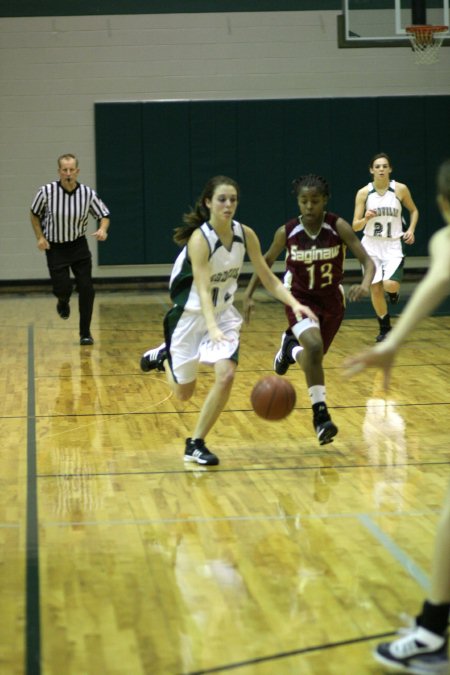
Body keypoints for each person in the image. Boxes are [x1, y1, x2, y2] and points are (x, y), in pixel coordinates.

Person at [344, 158, 450, 675]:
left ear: (442, 204)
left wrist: (393, 348)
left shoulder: (444, 239)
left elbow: (439, 280)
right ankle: (433, 628)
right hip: (379, 249)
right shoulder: (368, 196)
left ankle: (432, 633)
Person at [140, 175, 317, 466]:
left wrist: (296, 303)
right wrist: (209, 327)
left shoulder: (245, 234)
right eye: (222, 199)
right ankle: (165, 357)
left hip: (222, 315)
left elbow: (267, 277)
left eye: (233, 200)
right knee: (184, 394)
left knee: (227, 374)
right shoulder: (200, 239)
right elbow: (201, 289)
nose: (228, 205)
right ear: (208, 202)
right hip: (190, 315)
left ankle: (195, 443)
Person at [243, 174, 375, 445]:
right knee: (314, 349)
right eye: (304, 201)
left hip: (332, 303)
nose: (309, 206)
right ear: (298, 202)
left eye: (315, 201)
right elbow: (265, 262)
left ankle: (289, 349)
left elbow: (367, 261)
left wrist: (364, 284)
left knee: (313, 359)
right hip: (299, 299)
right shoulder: (287, 231)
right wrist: (248, 294)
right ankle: (321, 417)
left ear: (325, 200)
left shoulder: (338, 227)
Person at [30, 153, 110, 345]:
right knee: (63, 288)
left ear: (77, 171)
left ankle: (85, 333)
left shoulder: (87, 194)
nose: (68, 173)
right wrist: (40, 237)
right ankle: (63, 301)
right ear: (59, 171)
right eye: (64, 170)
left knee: (87, 289)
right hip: (55, 247)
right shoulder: (46, 192)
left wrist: (102, 229)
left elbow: (104, 214)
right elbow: (34, 215)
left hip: (78, 246)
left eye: (71, 170)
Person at [352, 152, 419, 343]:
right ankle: (385, 327)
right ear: (371, 170)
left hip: (392, 244)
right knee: (375, 288)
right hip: (371, 245)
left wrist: (411, 230)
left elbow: (414, 210)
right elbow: (355, 226)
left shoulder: (400, 189)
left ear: (390, 169)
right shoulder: (364, 193)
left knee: (389, 284)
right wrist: (365, 218)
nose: (381, 169)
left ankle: (394, 292)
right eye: (377, 166)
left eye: (384, 166)